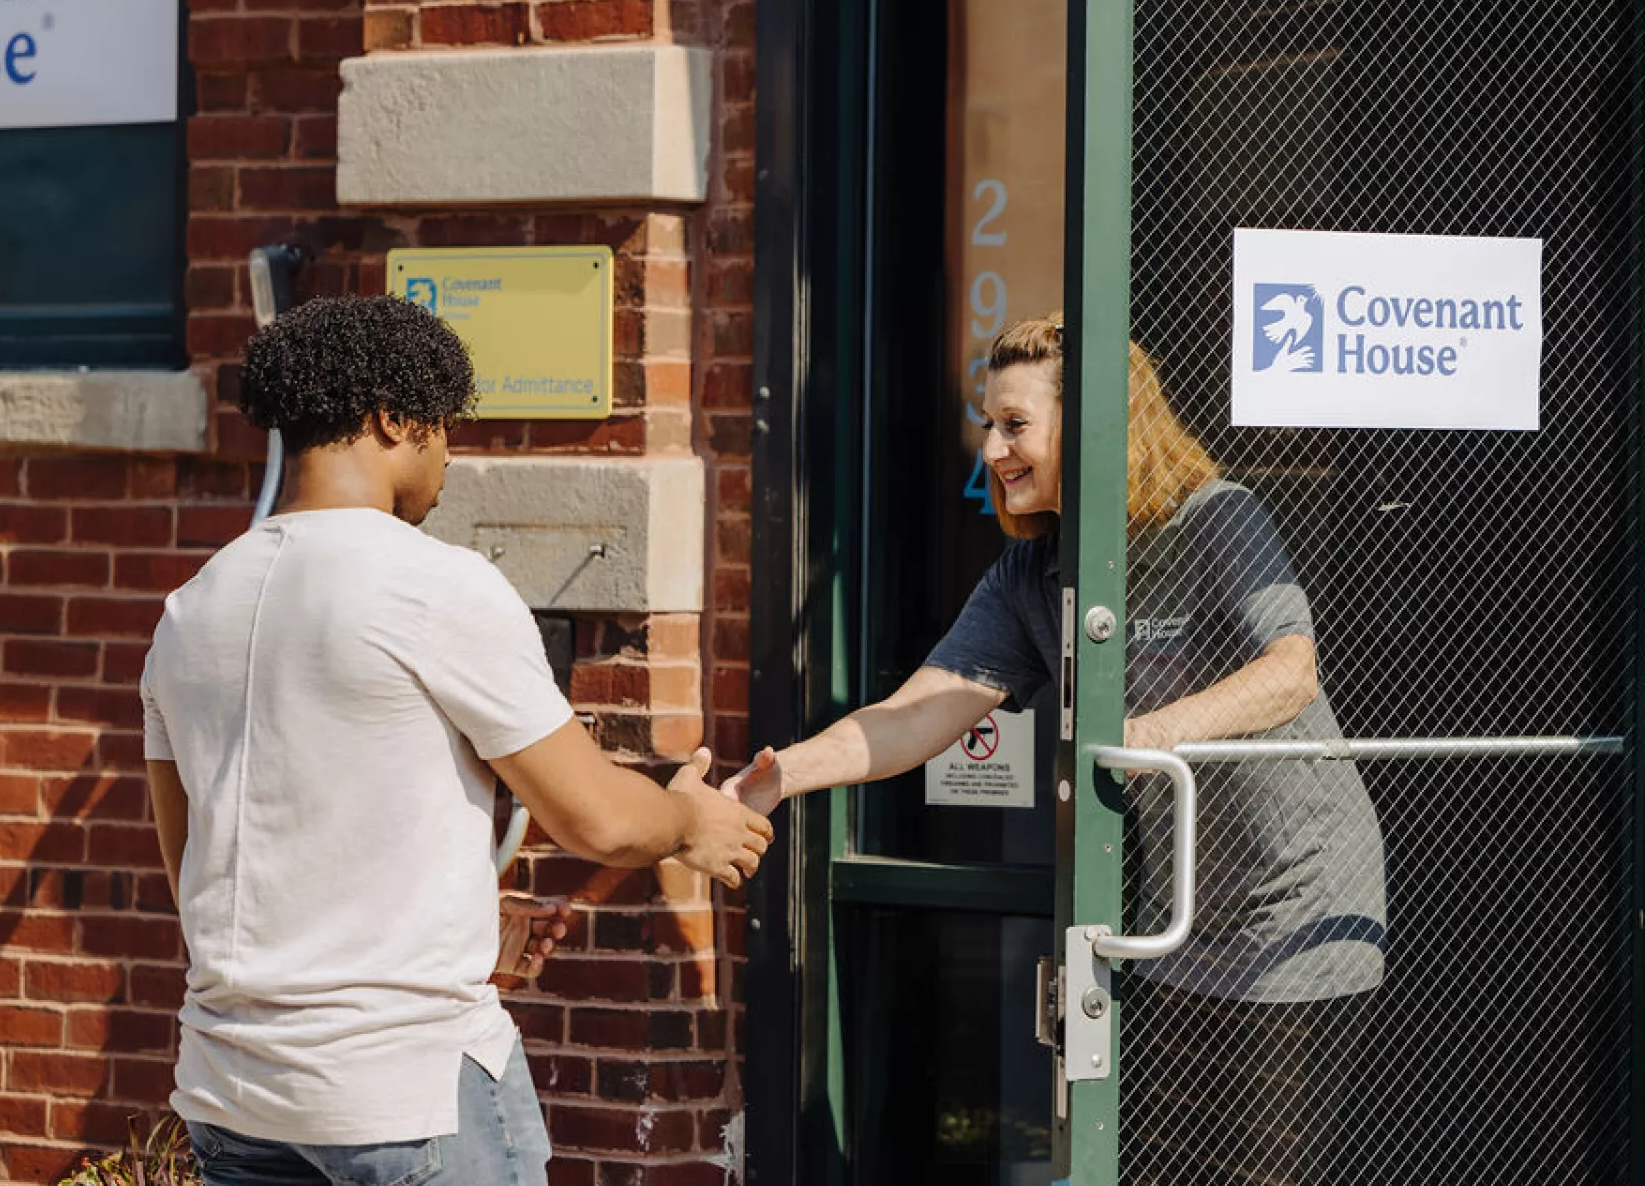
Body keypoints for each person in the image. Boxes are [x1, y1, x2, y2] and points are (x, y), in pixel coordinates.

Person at [727, 313, 1385, 1184]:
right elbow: (917, 713)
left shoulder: (1214, 516)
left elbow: (1291, 672)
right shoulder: (1035, 572)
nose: (993, 449)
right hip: (1181, 924)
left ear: (1098, 422)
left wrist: (1147, 736)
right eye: (988, 426)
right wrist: (779, 778)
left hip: (1299, 914)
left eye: (1015, 425)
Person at [140, 294, 774, 1186]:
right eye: (443, 429)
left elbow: (200, 868)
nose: (448, 456)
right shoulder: (431, 585)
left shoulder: (190, 609)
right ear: (394, 419)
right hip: (406, 1093)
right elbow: (599, 821)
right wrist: (689, 820)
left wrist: (451, 909)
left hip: (235, 1093)